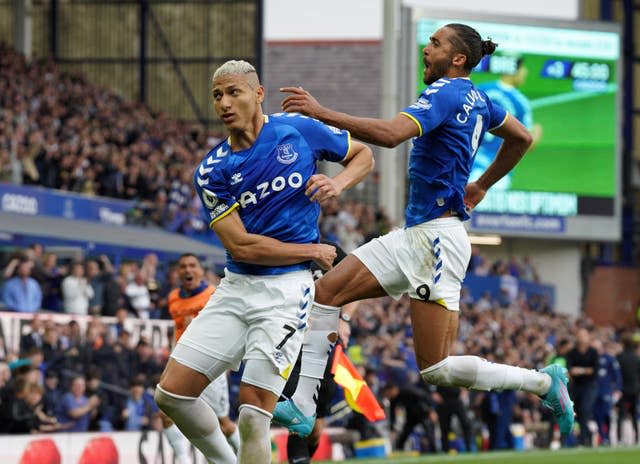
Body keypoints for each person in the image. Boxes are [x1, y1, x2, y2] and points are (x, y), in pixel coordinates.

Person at [275, 22, 574, 437]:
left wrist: (320, 112)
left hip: (435, 239)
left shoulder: (446, 91)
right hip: (416, 234)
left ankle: (543, 383)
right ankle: (304, 406)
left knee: (435, 369)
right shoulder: (480, 99)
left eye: (435, 44)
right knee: (327, 293)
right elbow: (521, 137)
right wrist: (482, 186)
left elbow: (392, 135)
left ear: (457, 59)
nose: (426, 51)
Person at [154, 59, 374, 464]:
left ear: (258, 94)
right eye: (217, 95)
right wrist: (313, 251)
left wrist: (337, 182)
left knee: (253, 414)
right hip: (236, 286)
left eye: (233, 92)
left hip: (287, 291)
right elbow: (242, 247)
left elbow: (362, 155)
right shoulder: (211, 170)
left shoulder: (298, 129)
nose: (224, 102)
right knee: (170, 395)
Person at [275, 241, 359, 463]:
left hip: (325, 344)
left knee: (316, 429)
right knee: (299, 413)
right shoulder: (282, 250)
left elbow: (358, 288)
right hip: (292, 344)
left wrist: (344, 319)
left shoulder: (331, 251)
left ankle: (306, 454)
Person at [161, 253, 240, 464]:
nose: (188, 270)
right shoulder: (173, 298)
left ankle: (249, 457)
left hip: (209, 364)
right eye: (183, 266)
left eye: (192, 266)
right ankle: (183, 459)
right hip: (181, 360)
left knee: (223, 423)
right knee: (166, 411)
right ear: (178, 272)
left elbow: (226, 329)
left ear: (200, 271)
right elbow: (177, 331)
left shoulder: (214, 294)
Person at [470, 55, 543, 189]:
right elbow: (525, 143)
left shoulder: (481, 90)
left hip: (467, 164)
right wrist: (537, 133)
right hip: (495, 174)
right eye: (523, 69)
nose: (525, 73)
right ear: (516, 70)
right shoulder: (520, 102)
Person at [566, 327, 599, 446]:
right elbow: (570, 369)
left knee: (585, 409)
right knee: (576, 412)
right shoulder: (571, 353)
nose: (581, 338)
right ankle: (581, 437)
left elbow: (594, 370)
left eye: (583, 335)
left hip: (589, 386)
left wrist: (579, 370)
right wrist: (585, 370)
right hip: (576, 386)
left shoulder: (593, 352)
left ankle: (584, 438)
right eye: (579, 335)